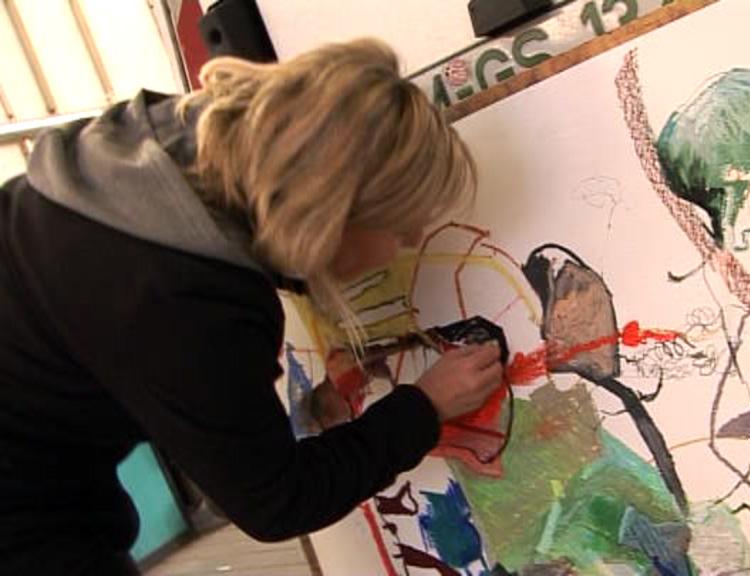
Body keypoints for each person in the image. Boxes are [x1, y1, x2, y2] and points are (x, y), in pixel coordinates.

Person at [0, 39, 504, 575]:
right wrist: (424, 407)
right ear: (334, 212)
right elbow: (275, 500)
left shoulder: (161, 151)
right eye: (403, 227)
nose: (413, 241)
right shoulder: (184, 294)